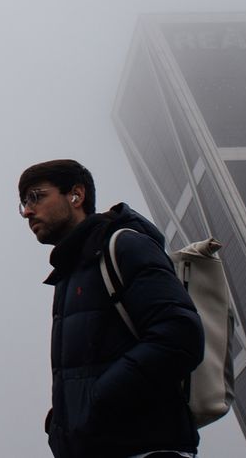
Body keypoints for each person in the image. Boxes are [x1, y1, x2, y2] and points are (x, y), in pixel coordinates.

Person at [20, 159, 203, 458]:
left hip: (147, 450)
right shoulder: (72, 273)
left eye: (36, 197)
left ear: (76, 195)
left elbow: (180, 336)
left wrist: (96, 400)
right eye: (23, 203)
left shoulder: (124, 246)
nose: (27, 211)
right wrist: (64, 423)